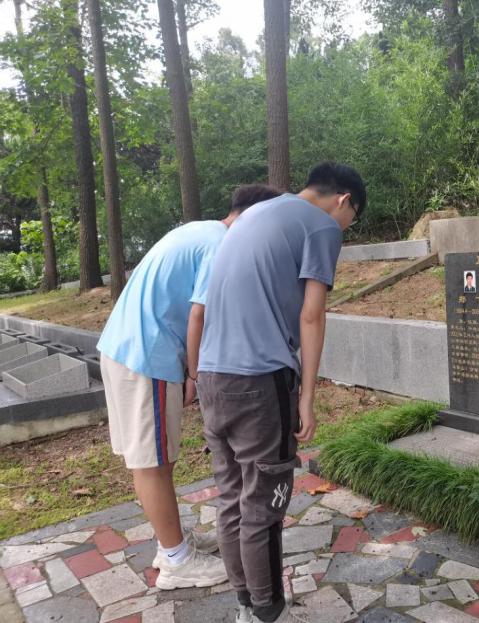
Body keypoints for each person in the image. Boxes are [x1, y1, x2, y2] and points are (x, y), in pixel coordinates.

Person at [197, 162, 366, 623]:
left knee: (232, 498)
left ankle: (246, 606)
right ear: (343, 200)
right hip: (259, 382)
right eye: (351, 219)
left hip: (212, 379)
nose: (345, 228)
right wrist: (307, 398)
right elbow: (312, 315)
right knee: (264, 507)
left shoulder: (254, 214)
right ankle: (268, 613)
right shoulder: (321, 225)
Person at [97, 184, 281, 591]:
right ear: (254, 218)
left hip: (128, 347)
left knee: (154, 459)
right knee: (152, 462)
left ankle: (172, 544)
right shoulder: (222, 246)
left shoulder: (202, 231)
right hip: (147, 354)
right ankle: (176, 561)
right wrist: (196, 376)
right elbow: (199, 315)